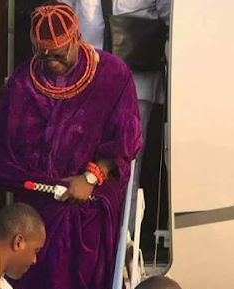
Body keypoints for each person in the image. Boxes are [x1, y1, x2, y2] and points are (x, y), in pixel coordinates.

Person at [0, 2, 142, 289]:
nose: (52, 61)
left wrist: (91, 177)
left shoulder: (113, 74)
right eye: (44, 54)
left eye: (59, 53)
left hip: (88, 201)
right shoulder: (24, 80)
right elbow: (0, 145)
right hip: (37, 205)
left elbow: (127, 142)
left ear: (77, 37)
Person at [59, 0, 172, 258]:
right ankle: (85, 240)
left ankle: (123, 243)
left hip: (136, 81)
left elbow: (172, 18)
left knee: (128, 166)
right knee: (81, 162)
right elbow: (62, 16)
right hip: (86, 82)